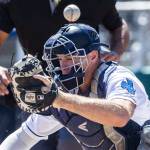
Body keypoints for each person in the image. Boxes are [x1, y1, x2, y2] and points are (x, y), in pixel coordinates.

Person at [0, 0, 129, 149]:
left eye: (68, 58)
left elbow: (118, 25)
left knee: (81, 142)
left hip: (87, 89)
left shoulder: (115, 77)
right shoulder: (15, 3)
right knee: (31, 141)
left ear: (94, 55)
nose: (62, 62)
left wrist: (117, 51)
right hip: (40, 86)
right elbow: (21, 139)